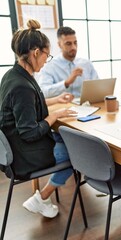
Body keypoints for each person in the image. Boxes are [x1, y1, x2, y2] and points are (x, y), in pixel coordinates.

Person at [0, 19, 77, 218]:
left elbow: (28, 106)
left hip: (14, 145)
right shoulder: (22, 86)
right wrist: (55, 115)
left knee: (66, 138)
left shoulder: (13, 75)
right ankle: (41, 198)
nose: (46, 60)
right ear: (36, 52)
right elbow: (29, 132)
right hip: (23, 155)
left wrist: (55, 100)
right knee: (75, 152)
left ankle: (42, 198)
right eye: (47, 55)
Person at [38, 26, 98, 98]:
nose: (73, 47)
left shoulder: (86, 64)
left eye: (75, 43)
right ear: (59, 45)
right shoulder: (49, 66)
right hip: (61, 107)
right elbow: (43, 92)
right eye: (68, 44)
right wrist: (66, 83)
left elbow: (98, 87)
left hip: (85, 106)